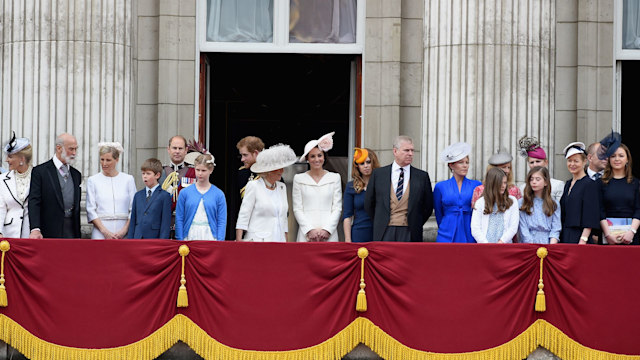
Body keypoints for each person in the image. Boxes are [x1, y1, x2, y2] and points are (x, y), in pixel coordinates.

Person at [364, 135, 433, 242]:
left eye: (412, 150)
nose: (410, 154)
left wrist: (415, 221)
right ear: (395, 151)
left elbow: (427, 206)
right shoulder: (379, 174)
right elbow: (369, 203)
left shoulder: (422, 176)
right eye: (406, 150)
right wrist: (381, 220)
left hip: (410, 232)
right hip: (384, 231)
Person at [236, 144, 297, 242]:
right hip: (258, 241)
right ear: (268, 171)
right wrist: (239, 242)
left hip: (279, 240)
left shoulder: (282, 187)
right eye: (278, 168)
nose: (282, 171)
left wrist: (286, 242)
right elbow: (244, 216)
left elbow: (284, 218)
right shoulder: (253, 185)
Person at [29, 133, 82, 239]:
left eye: (76, 149)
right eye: (71, 149)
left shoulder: (76, 174)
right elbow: (34, 201)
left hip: (72, 232)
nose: (74, 153)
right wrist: (35, 229)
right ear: (59, 148)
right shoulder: (40, 172)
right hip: (48, 231)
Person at [293, 132, 342, 242]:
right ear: (307, 159)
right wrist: (309, 230)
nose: (316, 159)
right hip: (306, 235)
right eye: (312, 156)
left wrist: (327, 230)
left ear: (324, 157)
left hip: (329, 234)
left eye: (319, 155)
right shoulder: (299, 179)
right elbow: (297, 209)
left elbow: (337, 208)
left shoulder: (334, 178)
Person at [85, 143, 136, 239]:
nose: (104, 164)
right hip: (100, 231)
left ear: (117, 160)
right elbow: (90, 209)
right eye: (102, 159)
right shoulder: (93, 180)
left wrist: (124, 230)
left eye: (108, 160)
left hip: (124, 230)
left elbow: (134, 208)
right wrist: (105, 232)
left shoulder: (128, 179)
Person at [597, 133, 640, 245]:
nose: (617, 159)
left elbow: (638, 210)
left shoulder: (635, 183)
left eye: (621, 156)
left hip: (631, 237)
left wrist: (631, 232)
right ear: (609, 160)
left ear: (627, 159)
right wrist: (608, 235)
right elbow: (600, 211)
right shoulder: (600, 183)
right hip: (608, 237)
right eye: (613, 156)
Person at [433, 142, 481, 243]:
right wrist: (445, 226)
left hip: (469, 229)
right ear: (451, 165)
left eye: (467, 162)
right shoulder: (440, 187)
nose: (465, 166)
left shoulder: (476, 185)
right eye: (461, 162)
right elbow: (438, 212)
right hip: (446, 231)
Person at [175, 154, 226, 240]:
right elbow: (179, 217)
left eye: (203, 170)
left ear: (211, 170)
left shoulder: (218, 194)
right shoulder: (185, 193)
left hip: (210, 236)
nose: (200, 173)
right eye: (197, 170)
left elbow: (221, 220)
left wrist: (220, 241)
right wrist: (180, 239)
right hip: (190, 235)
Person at [559, 142, 600, 244]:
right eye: (569, 161)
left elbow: (590, 214)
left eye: (576, 161)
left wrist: (583, 239)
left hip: (580, 236)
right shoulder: (568, 184)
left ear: (584, 161)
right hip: (566, 234)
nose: (572, 164)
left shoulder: (589, 184)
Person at [471, 168, 519, 243]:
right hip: (485, 247)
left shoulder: (512, 201)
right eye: (500, 183)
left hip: (505, 246)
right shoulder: (480, 202)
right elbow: (475, 228)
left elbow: (513, 227)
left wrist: (501, 242)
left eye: (505, 183)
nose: (503, 186)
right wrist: (486, 245)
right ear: (492, 183)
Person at [127, 158, 172, 239]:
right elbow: (133, 221)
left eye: (148, 173)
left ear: (157, 175)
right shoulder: (138, 195)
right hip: (138, 238)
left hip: (154, 239)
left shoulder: (164, 196)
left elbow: (165, 223)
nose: (145, 176)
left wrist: (162, 243)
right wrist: (130, 241)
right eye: (143, 173)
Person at [343, 148, 380, 243]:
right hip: (358, 233)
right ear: (357, 166)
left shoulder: (382, 185)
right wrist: (348, 240)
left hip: (379, 233)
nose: (366, 166)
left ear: (373, 163)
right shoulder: (351, 186)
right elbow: (347, 216)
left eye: (368, 162)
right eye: (362, 163)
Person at [0, 134, 33, 238]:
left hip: (31, 235)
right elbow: (0, 208)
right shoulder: (2, 179)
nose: (6, 160)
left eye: (10, 157)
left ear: (21, 159)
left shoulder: (38, 177)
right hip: (9, 235)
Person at [518, 167, 561, 244]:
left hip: (547, 242)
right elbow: (522, 227)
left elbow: (556, 228)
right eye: (531, 179)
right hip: (528, 243)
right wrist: (531, 244)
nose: (534, 182)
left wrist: (552, 245)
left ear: (546, 182)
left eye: (538, 179)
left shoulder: (554, 203)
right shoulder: (522, 202)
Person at [517, 136, 564, 201]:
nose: (535, 165)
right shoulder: (523, 188)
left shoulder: (557, 185)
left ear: (546, 162)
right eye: (532, 162)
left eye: (538, 161)